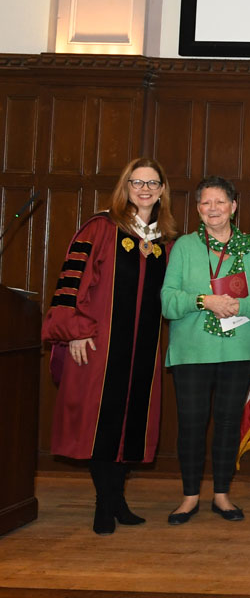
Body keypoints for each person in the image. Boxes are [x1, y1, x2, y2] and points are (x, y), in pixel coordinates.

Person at [42, 157, 178, 535]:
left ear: (162, 191)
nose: (145, 189)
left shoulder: (165, 242)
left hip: (143, 349)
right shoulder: (100, 228)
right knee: (101, 423)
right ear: (125, 187)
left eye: (152, 183)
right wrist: (74, 331)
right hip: (98, 346)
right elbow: (70, 283)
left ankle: (118, 499)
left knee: (130, 423)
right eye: (137, 182)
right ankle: (104, 503)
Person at [161, 176, 250, 524]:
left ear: (233, 207)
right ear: (198, 208)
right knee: (191, 424)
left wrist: (237, 305)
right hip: (191, 351)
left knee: (228, 424)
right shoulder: (183, 247)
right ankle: (189, 497)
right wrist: (204, 301)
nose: (213, 209)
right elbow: (167, 301)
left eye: (220, 202)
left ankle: (222, 495)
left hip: (238, 351)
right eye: (205, 203)